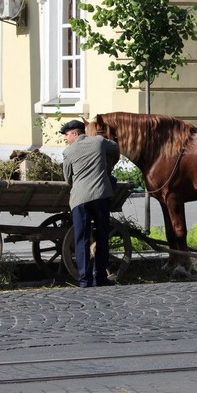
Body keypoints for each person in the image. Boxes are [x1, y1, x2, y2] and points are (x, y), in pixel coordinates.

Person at [61, 119, 121, 287]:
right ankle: (100, 278)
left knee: (82, 239)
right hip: (101, 196)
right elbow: (115, 147)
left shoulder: (69, 152)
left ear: (76, 133)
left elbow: (67, 178)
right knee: (102, 237)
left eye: (67, 135)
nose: (66, 138)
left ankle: (84, 280)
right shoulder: (99, 142)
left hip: (80, 200)